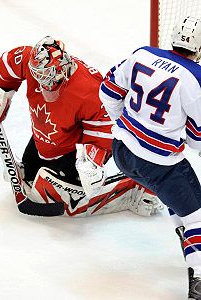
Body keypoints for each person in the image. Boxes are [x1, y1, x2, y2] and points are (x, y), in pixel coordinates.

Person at [0, 35, 163, 217]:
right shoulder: (32, 61)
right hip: (47, 137)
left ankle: (134, 190)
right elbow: (7, 66)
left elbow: (106, 129)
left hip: (72, 145)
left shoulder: (89, 88)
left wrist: (93, 162)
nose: (44, 85)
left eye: (49, 80)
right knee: (30, 176)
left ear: (64, 70)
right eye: (40, 79)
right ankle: (31, 168)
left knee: (71, 205)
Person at [100, 16, 201, 299]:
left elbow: (107, 90)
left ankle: (189, 239)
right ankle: (200, 281)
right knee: (198, 217)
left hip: (121, 152)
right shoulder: (195, 79)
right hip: (160, 166)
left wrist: (126, 127)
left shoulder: (142, 54)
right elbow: (196, 141)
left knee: (180, 202)